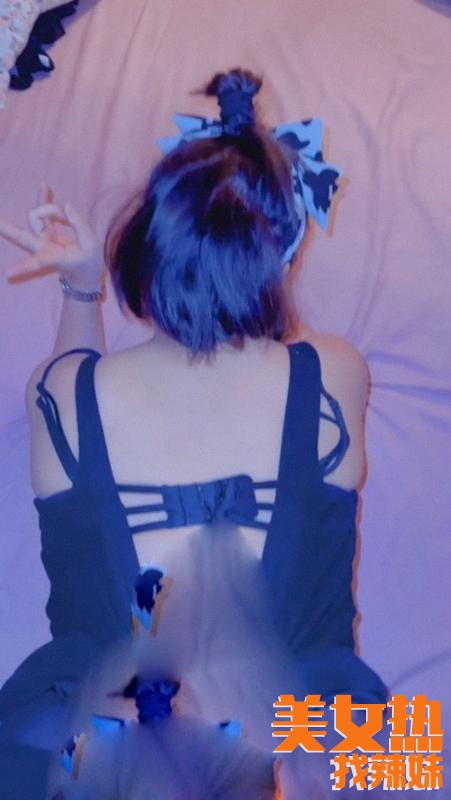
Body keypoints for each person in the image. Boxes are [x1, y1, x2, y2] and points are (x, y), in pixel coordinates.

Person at [0, 68, 389, 799]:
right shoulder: (335, 375)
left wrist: (82, 287)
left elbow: (73, 374)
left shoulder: (61, 397)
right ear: (276, 256)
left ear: (144, 247)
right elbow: (278, 344)